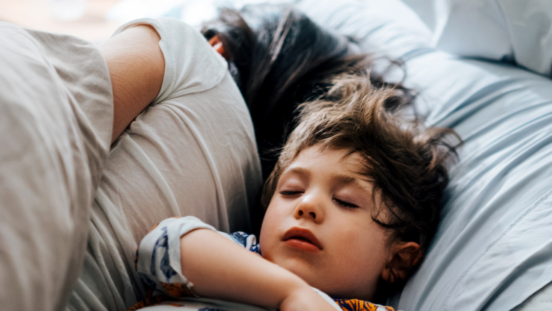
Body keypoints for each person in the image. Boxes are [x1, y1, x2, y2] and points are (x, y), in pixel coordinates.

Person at [129, 75, 458, 311]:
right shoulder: (241, 255)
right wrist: (289, 292)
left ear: (398, 260)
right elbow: (161, 247)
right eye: (291, 191)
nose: (308, 204)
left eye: (345, 201)